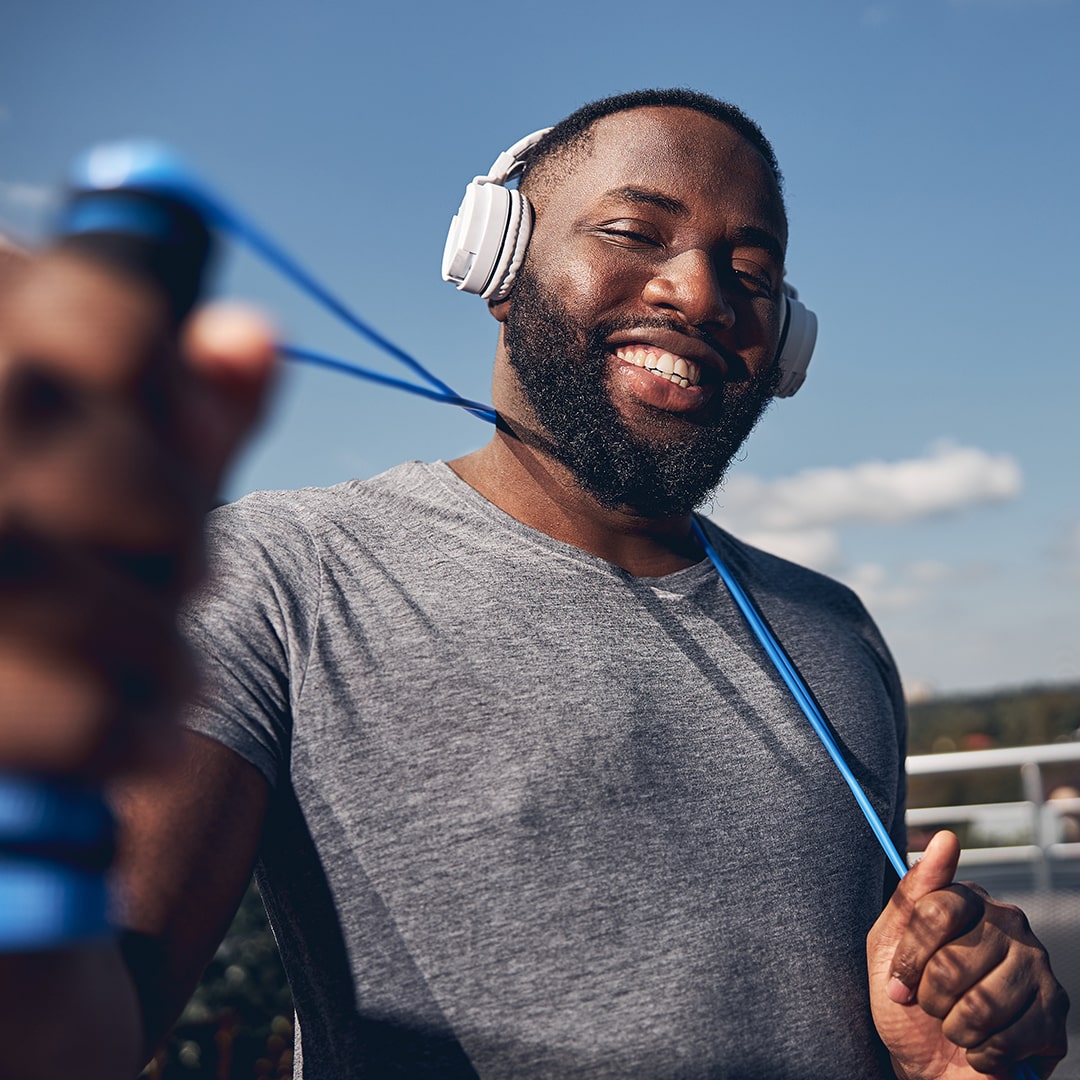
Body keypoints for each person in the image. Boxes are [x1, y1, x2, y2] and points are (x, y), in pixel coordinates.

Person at [0, 89, 1068, 1078]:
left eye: (750, 269)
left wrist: (952, 1049)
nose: (699, 290)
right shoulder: (285, 577)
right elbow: (76, 1030)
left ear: (784, 344)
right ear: (496, 262)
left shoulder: (833, 630)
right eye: (634, 231)